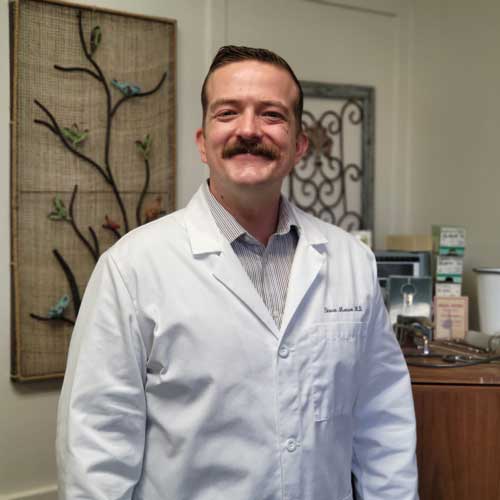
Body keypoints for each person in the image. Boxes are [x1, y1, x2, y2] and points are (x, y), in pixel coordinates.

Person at [57, 45, 418, 500]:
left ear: (299, 145)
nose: (248, 130)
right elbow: (96, 447)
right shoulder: (132, 267)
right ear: (202, 142)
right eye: (227, 113)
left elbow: (383, 421)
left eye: (272, 115)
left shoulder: (351, 261)